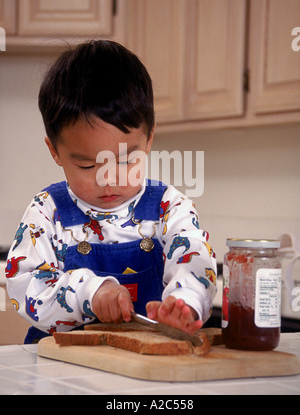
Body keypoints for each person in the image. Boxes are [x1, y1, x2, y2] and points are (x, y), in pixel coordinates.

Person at [6, 40, 217, 344]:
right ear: (55, 151)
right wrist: (89, 293)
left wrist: (185, 304)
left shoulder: (169, 208)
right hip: (60, 371)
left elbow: (195, 261)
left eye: (126, 160)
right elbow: (26, 284)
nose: (108, 179)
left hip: (145, 364)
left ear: (148, 140)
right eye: (88, 165)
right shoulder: (47, 212)